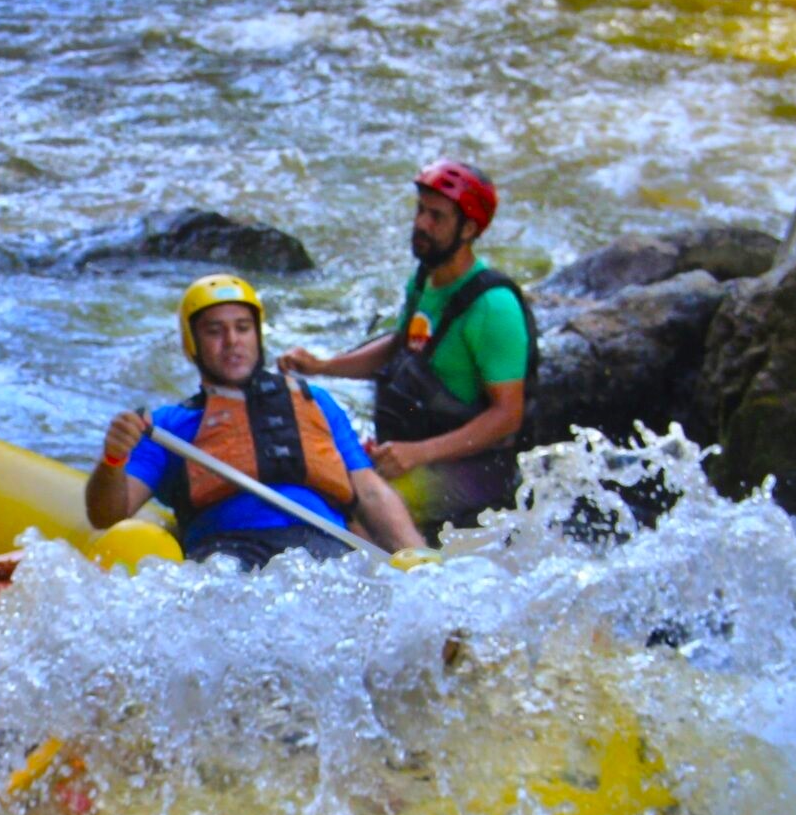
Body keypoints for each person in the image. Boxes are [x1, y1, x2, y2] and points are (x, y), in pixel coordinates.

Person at [87, 274, 425, 569]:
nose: (232, 341)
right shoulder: (167, 426)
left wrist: (419, 557)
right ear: (192, 344)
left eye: (242, 328)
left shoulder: (315, 402)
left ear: (257, 336)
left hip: (321, 549)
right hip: (227, 551)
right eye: (215, 331)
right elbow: (107, 514)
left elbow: (370, 490)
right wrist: (113, 458)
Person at [281, 159, 538, 532]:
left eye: (436, 217)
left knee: (361, 509)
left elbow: (507, 416)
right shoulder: (424, 281)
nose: (421, 224)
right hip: (413, 452)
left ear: (468, 229)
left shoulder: (493, 306)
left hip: (479, 471)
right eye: (420, 211)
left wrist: (417, 454)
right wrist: (323, 366)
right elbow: (400, 347)